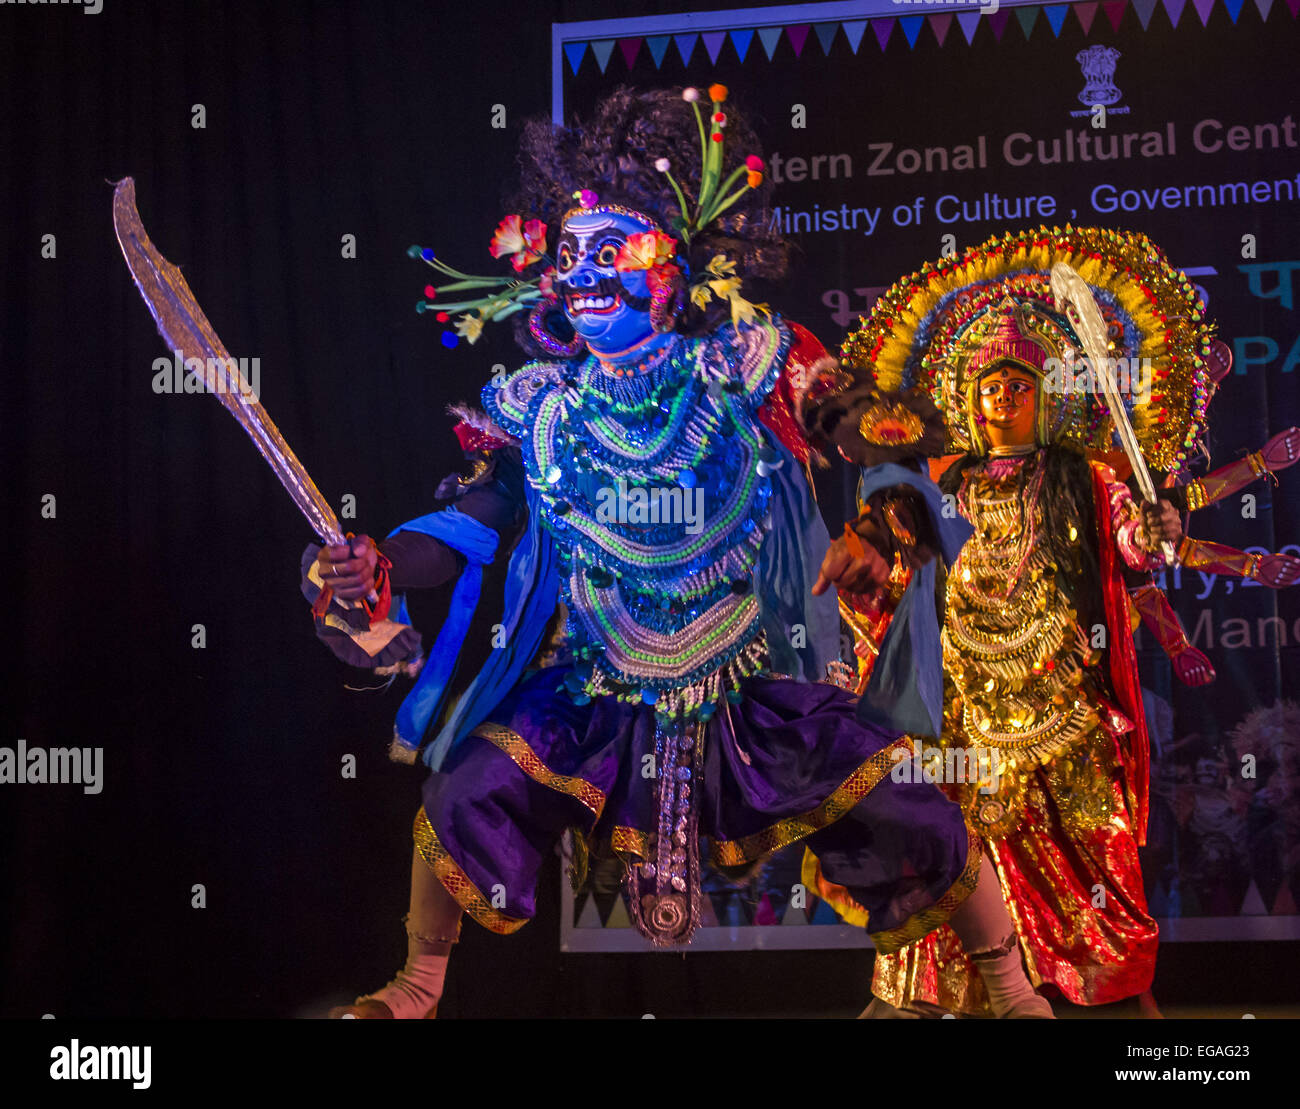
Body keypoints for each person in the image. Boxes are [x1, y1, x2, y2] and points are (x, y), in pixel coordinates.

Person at [300, 86, 1052, 1019]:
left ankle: (1016, 995)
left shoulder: (753, 360)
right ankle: (414, 988)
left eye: (609, 253)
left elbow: (877, 433)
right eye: (569, 257)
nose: (584, 275)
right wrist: (378, 564)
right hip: (596, 685)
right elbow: (478, 523)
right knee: (468, 786)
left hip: (741, 671)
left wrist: (874, 524)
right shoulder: (539, 405)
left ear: (675, 267)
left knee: (906, 796)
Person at [837, 228, 1241, 1016]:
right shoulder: (942, 480)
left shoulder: (1081, 474)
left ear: (1046, 393)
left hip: (1060, 711)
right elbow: (894, 569)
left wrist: (1152, 528)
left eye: (1017, 384)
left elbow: (1129, 542)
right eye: (987, 386)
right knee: (948, 870)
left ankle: (1112, 1004)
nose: (1001, 399)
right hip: (964, 717)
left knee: (1090, 870)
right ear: (965, 397)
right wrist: (865, 568)